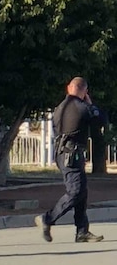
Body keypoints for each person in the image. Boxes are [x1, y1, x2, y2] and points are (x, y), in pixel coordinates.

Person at [35, 77, 105, 243]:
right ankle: (47, 218)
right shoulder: (81, 107)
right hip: (72, 154)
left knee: (82, 191)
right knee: (76, 191)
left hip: (63, 153)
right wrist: (90, 104)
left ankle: (82, 231)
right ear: (84, 91)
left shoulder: (60, 108)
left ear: (69, 88)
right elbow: (101, 120)